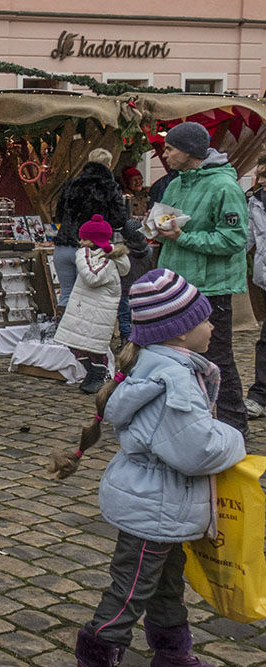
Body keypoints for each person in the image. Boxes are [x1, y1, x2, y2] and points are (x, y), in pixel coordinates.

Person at [52, 269, 244, 667]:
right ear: (179, 331)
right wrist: (234, 438)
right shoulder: (173, 380)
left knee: (164, 584)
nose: (214, 325)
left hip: (163, 505)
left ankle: (171, 657)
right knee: (129, 592)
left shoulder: (160, 364)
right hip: (153, 508)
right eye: (206, 319)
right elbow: (196, 449)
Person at [155, 121, 250, 438]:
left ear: (189, 151)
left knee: (218, 356)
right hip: (177, 285)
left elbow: (234, 241)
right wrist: (148, 230)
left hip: (211, 289)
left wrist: (182, 237)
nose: (165, 155)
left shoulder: (225, 187)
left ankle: (234, 425)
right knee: (176, 356)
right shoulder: (175, 183)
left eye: (170, 149)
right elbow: (162, 225)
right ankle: (188, 419)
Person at [53, 215, 131, 393]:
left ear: (94, 240)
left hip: (98, 310)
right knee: (74, 342)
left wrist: (82, 255)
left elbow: (92, 277)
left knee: (94, 345)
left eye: (84, 239)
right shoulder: (98, 255)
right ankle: (92, 373)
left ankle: (98, 374)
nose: (80, 243)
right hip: (84, 306)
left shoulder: (106, 259)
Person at [52, 148, 132, 308]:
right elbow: (119, 219)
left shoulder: (71, 183)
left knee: (66, 294)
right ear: (109, 165)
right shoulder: (110, 186)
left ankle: (61, 330)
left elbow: (59, 214)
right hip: (92, 250)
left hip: (63, 247)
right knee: (88, 300)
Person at [243, 156, 266, 420]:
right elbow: (245, 239)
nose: (261, 182)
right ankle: (260, 395)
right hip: (264, 279)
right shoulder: (255, 202)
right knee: (265, 340)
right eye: (260, 176)